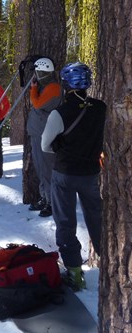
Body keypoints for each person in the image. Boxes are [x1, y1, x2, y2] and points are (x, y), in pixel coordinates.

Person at [41, 62, 106, 292]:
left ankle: (75, 273)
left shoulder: (60, 112)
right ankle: (109, 264)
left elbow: (45, 146)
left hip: (65, 174)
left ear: (66, 84)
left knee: (66, 222)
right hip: (90, 174)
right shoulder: (101, 107)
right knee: (97, 219)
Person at [26, 57, 62, 217]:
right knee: (41, 169)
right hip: (38, 133)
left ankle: (52, 202)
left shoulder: (53, 88)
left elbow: (38, 104)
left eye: (37, 72)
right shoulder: (47, 86)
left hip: (45, 135)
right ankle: (44, 197)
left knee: (47, 169)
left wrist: (33, 89)